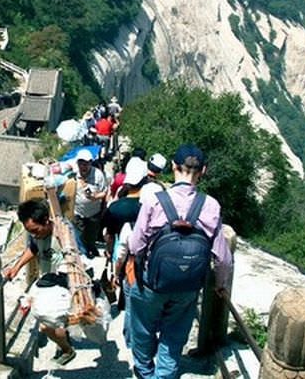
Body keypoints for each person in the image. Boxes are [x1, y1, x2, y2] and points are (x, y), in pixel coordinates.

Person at [129, 144, 233, 379]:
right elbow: (223, 259)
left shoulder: (155, 201)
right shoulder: (211, 205)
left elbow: (136, 246)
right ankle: (164, 375)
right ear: (203, 171)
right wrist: (220, 283)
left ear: (173, 167)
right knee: (174, 334)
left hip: (152, 282)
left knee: (143, 328)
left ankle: (145, 372)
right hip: (188, 285)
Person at [4, 199, 76, 366]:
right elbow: (33, 248)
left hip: (63, 285)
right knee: (54, 324)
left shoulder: (62, 233)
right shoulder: (37, 235)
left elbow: (76, 258)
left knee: (46, 326)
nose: (34, 235)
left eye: (36, 230)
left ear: (46, 221)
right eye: (30, 232)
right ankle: (64, 341)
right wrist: (16, 268)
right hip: (47, 284)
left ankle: (67, 350)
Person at [102, 157, 146, 347]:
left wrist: (108, 250)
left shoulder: (115, 207)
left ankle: (122, 306)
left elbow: (109, 235)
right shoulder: (147, 207)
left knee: (121, 278)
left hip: (123, 247)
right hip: (142, 252)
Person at [73, 148, 107, 258]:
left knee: (92, 235)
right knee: (79, 236)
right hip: (78, 213)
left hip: (94, 213)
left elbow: (105, 192)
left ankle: (91, 249)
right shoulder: (73, 174)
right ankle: (84, 255)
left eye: (86, 164)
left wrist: (96, 197)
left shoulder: (98, 175)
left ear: (90, 163)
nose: (83, 167)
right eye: (81, 164)